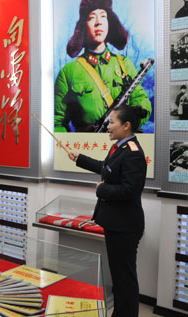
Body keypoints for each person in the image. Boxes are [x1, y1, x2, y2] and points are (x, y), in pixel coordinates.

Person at [68, 104, 147, 317]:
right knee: (119, 278)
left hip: (125, 226)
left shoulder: (133, 153)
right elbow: (106, 168)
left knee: (125, 279)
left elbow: (130, 190)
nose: (108, 126)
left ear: (126, 125)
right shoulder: (120, 147)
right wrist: (80, 158)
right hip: (116, 224)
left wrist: (103, 189)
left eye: (112, 122)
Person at [54, 0, 152, 132]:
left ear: (109, 24)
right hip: (87, 148)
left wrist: (133, 119)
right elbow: (57, 122)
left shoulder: (125, 64)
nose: (98, 22)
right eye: (92, 17)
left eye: (103, 16)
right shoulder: (68, 72)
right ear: (82, 26)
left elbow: (140, 99)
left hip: (121, 145)